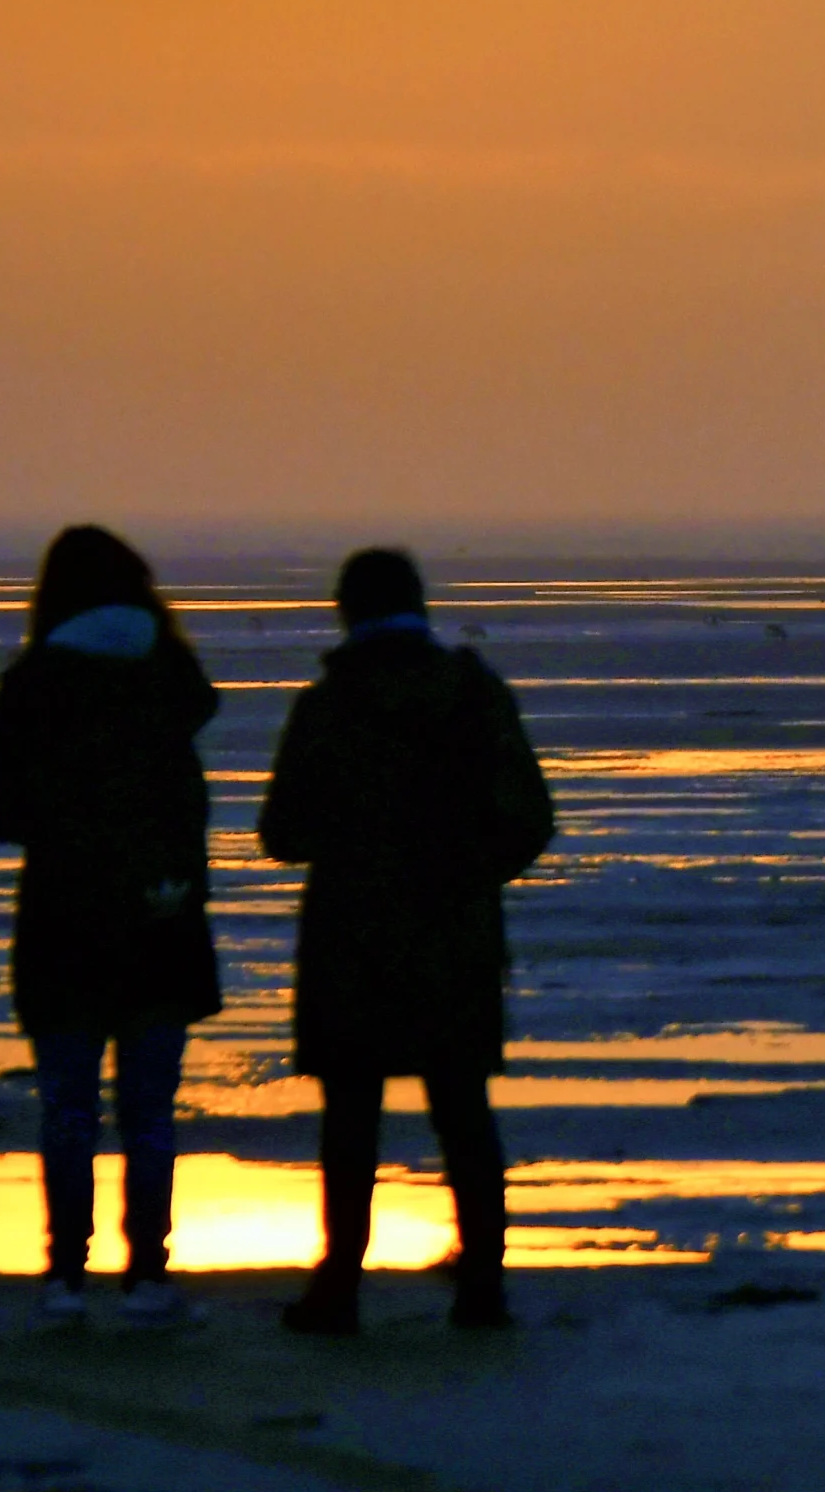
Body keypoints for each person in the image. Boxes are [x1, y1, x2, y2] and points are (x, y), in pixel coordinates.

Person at [260, 547, 556, 1336]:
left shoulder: (326, 705)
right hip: (452, 935)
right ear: (420, 607)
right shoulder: (475, 694)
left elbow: (281, 832)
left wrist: (357, 841)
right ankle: (484, 1288)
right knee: (462, 1110)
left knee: (351, 1116)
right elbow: (531, 818)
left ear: (346, 611)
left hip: (352, 936)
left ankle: (338, 1290)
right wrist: (470, 872)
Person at [0, 524, 222, 1329]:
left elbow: (7, 806)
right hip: (159, 914)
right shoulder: (167, 675)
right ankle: (148, 1278)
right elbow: (187, 794)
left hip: (65, 918)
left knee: (69, 1108)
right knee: (148, 1110)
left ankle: (65, 1279)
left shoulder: (34, 681)